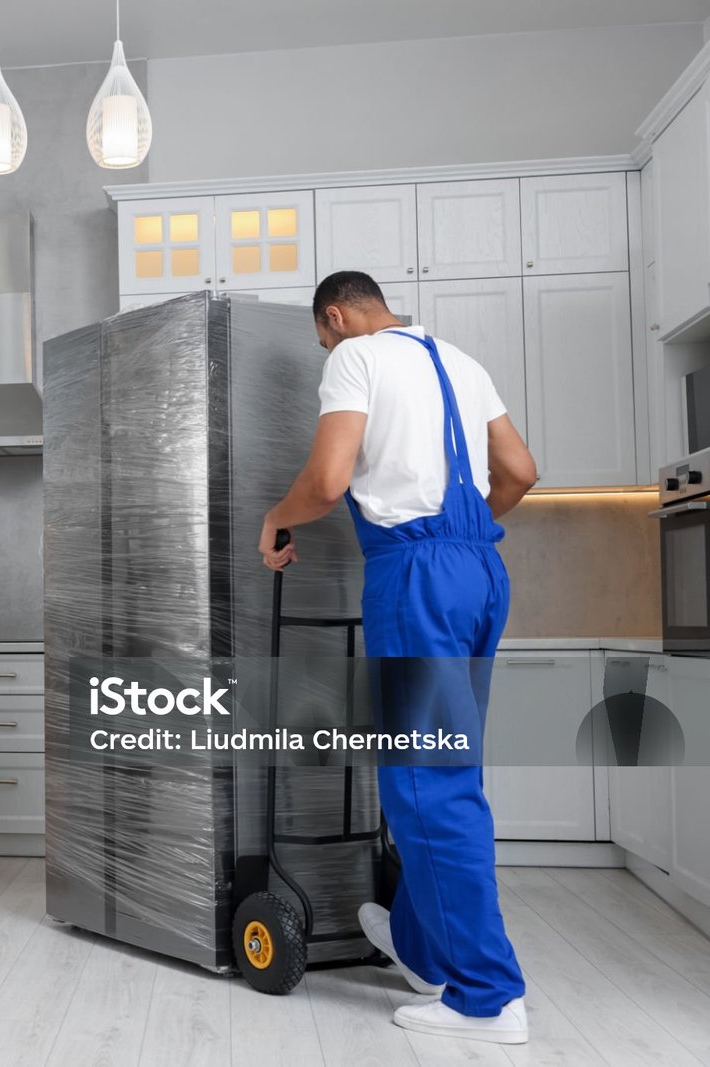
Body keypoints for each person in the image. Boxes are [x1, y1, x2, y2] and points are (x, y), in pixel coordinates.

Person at [259, 272, 539, 1044]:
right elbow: (520, 472)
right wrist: (460, 538)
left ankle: (487, 996)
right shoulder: (460, 360)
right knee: (449, 768)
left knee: (422, 782)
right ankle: (419, 945)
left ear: (337, 316)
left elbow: (326, 480)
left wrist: (276, 520)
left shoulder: (357, 356)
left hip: (416, 576)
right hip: (480, 570)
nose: (326, 347)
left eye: (323, 336)